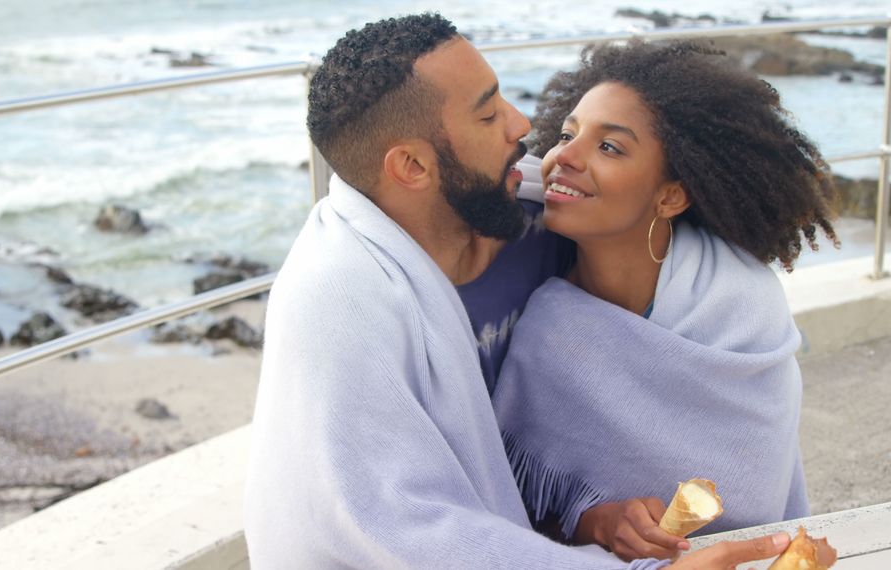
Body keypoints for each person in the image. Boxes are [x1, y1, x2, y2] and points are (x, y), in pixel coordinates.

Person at [245, 15, 792, 569]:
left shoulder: (542, 218)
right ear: (411, 166)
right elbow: (404, 531)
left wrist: (590, 515)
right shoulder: (339, 299)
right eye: (488, 114)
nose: (522, 123)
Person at [492, 40, 840, 563]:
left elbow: (762, 489)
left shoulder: (743, 304)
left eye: (609, 147)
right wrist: (599, 521)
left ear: (671, 195)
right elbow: (522, 500)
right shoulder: (549, 330)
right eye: (567, 134)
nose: (564, 156)